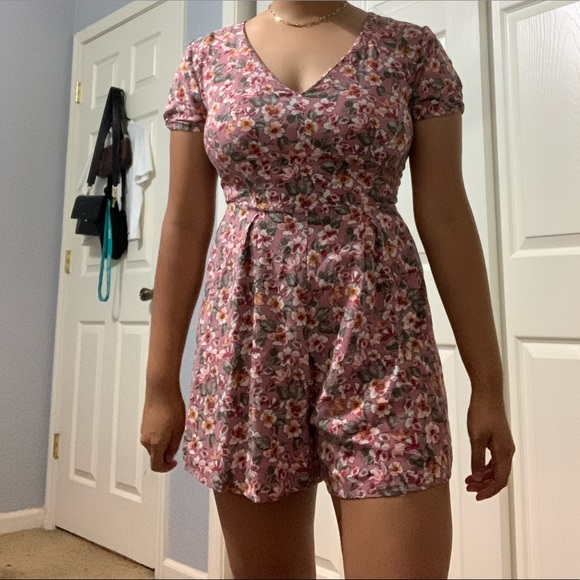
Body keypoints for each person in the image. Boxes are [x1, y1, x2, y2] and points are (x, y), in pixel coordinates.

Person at [140, 1, 516, 578]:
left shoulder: (411, 51)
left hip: (382, 346)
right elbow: (185, 224)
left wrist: (488, 385)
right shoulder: (206, 61)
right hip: (248, 345)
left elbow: (446, 216)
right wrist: (159, 383)